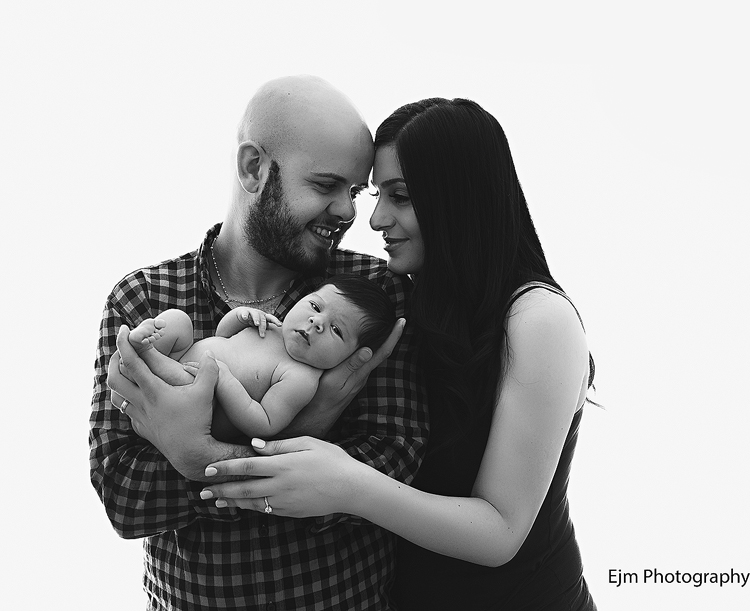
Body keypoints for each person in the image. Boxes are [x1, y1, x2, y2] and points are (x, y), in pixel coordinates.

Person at [202, 98, 597, 610]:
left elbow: (500, 531)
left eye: (402, 197)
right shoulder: (410, 298)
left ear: (460, 199)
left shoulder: (538, 320)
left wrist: (349, 484)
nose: (375, 219)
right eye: (376, 195)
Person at [90, 76, 429, 610]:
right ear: (253, 168)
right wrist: (308, 431)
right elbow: (123, 496)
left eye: (354, 192)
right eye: (325, 186)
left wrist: (195, 455)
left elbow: (396, 460)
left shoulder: (370, 298)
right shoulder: (146, 298)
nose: (348, 212)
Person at [129, 275, 395, 440]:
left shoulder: (301, 378)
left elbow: (264, 423)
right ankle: (147, 340)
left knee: (196, 380)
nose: (316, 322)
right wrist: (241, 316)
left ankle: (144, 358)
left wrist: (223, 379)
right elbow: (223, 336)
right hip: (183, 357)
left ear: (351, 357)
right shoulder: (274, 327)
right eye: (315, 306)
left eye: (336, 330)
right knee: (179, 321)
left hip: (199, 406)